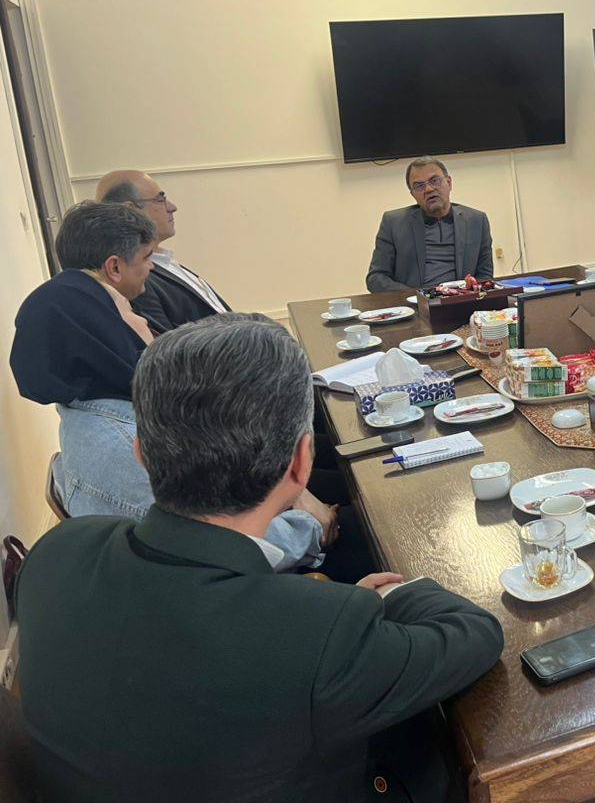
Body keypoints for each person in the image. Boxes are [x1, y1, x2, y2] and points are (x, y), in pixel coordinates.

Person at [15, 314, 505, 802]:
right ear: (302, 464)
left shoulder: (56, 553)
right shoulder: (313, 636)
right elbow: (475, 634)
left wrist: (326, 620)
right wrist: (388, 598)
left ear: (141, 453)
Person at [9, 201, 326, 570]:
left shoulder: (102, 413)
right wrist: (314, 527)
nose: (145, 322)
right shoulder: (123, 448)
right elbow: (226, 546)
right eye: (129, 313)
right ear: (107, 336)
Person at [97, 169, 231, 333]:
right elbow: (165, 345)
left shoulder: (164, 261)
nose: (172, 207)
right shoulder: (137, 278)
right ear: (131, 210)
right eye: (160, 200)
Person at [366, 157, 494, 292]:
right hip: (416, 301)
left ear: (449, 183)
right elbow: (376, 278)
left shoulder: (477, 220)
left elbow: (484, 276)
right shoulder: (394, 223)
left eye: (434, 180)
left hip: (462, 299)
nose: (428, 189)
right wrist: (416, 296)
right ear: (413, 194)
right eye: (419, 186)